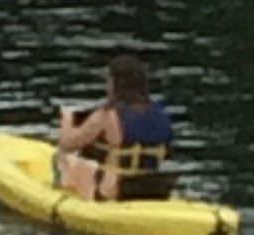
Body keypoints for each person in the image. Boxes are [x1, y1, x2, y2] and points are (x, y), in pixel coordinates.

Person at [55, 52, 174, 202]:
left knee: (68, 159)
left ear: (115, 83)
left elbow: (68, 144)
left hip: (112, 193)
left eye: (108, 80)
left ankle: (58, 192)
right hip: (152, 190)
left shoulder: (107, 115)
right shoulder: (161, 114)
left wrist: (66, 121)